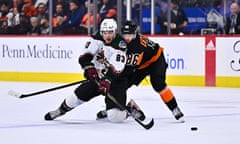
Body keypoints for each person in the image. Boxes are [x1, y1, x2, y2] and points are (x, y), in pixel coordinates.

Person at [44, 18, 143, 123]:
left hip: (115, 81)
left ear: (114, 31)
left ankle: (130, 109)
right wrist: (89, 69)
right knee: (74, 98)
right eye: (105, 33)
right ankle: (60, 110)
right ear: (101, 32)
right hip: (97, 77)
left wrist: (107, 80)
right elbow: (84, 57)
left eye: (110, 32)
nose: (108, 36)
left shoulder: (120, 45)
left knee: (115, 117)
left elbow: (116, 68)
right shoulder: (96, 39)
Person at [97, 20, 184, 122]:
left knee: (158, 83)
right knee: (120, 84)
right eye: (125, 35)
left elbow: (127, 68)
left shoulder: (137, 46)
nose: (127, 38)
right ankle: (114, 107)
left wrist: (110, 76)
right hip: (140, 65)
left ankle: (175, 108)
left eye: (130, 35)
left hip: (156, 61)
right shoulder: (119, 42)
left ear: (135, 34)